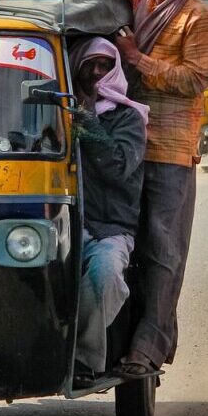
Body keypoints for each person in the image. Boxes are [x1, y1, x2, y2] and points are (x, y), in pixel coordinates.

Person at [38, 0, 208, 377]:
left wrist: (135, 58)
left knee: (162, 252)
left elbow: (195, 80)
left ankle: (147, 348)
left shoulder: (200, 19)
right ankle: (109, 341)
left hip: (168, 149)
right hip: (121, 136)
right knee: (117, 244)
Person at [70, 37, 148, 385]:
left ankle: (82, 360)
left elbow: (118, 166)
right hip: (63, 226)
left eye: (106, 65)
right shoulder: (59, 112)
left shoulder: (129, 118)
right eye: (91, 65)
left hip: (110, 229)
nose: (98, 72)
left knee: (105, 277)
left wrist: (88, 124)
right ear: (78, 69)